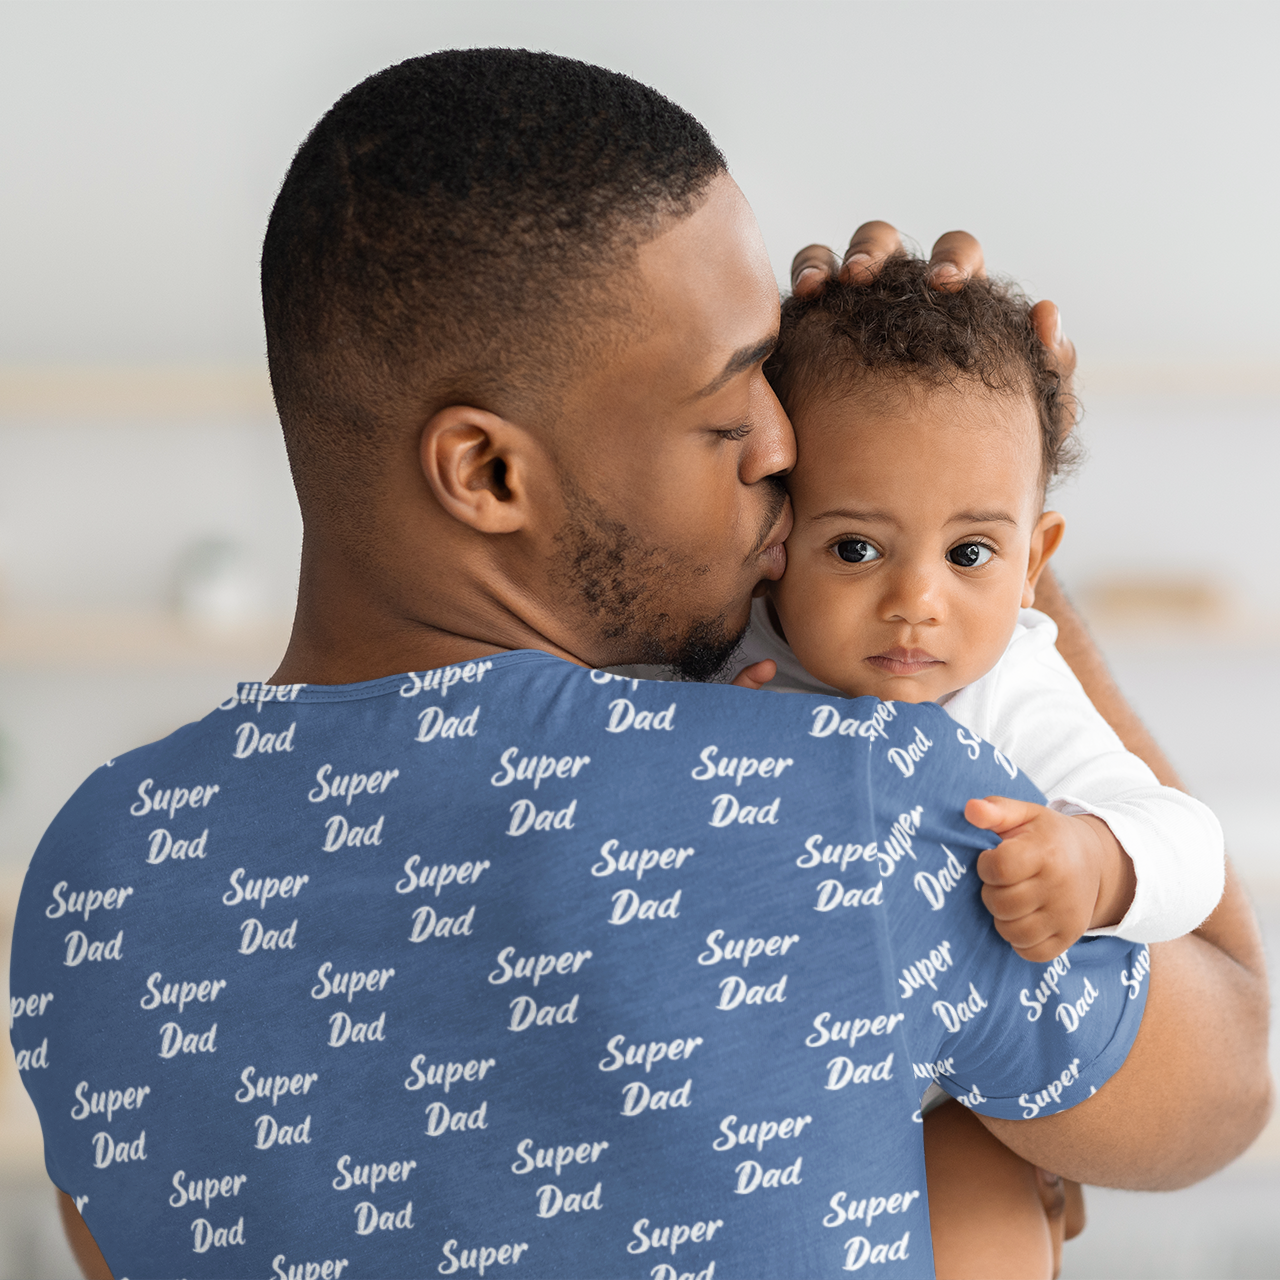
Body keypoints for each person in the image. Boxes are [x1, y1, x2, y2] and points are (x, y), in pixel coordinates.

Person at [8, 49, 1270, 1280]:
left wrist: (904, 488)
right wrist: (984, 508)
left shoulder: (93, 877)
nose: (784, 445)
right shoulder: (844, 801)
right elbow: (1228, 1071)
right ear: (489, 473)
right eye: (729, 407)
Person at [732, 255, 1225, 963]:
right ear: (771, 539)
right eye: (855, 549)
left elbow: (1191, 847)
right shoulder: (727, 652)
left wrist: (1092, 862)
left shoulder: (1007, 688)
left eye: (968, 555)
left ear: (1031, 563)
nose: (915, 603)